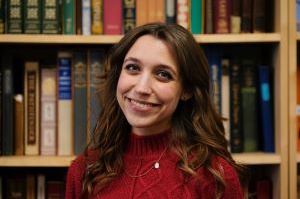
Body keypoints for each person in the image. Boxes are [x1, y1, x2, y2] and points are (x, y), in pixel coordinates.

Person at [65, 23, 248, 199]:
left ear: (186, 90)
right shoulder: (84, 170)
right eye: (133, 68)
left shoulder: (215, 176)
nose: (142, 88)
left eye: (163, 74)